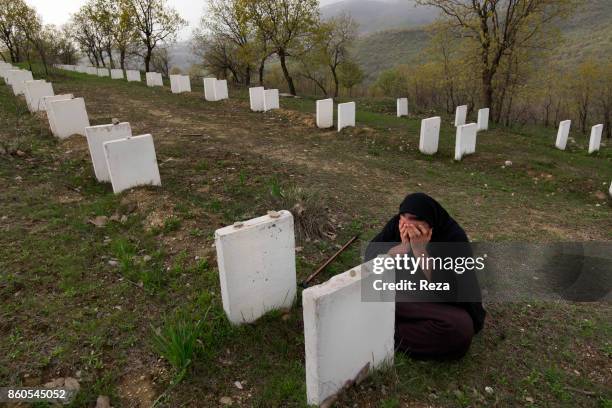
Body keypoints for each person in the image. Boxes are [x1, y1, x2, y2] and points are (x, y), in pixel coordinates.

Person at [366, 192, 486, 360]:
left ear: (430, 223)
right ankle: (383, 325)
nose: (407, 224)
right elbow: (370, 258)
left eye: (414, 219)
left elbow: (454, 293)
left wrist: (420, 251)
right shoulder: (397, 224)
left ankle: (384, 330)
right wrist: (399, 249)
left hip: (438, 303)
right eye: (403, 217)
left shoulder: (453, 238)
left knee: (460, 329)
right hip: (400, 294)